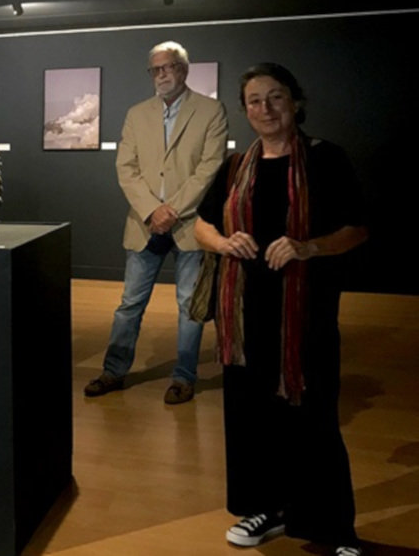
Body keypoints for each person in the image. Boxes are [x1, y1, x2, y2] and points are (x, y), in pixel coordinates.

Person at [194, 63, 367, 556]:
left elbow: (357, 228)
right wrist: (226, 242)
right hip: (244, 321)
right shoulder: (234, 166)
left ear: (294, 102)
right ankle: (266, 510)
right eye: (254, 100)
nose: (265, 109)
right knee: (252, 421)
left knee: (312, 418)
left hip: (304, 317)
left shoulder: (324, 159)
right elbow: (200, 226)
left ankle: (332, 528)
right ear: (244, 109)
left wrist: (309, 247)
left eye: (275, 98)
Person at [84, 41, 227, 404]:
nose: (162, 74)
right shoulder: (136, 114)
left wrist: (172, 210)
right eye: (156, 69)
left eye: (169, 67)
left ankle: (184, 376)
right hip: (145, 224)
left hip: (189, 224)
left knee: (188, 306)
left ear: (184, 69)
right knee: (130, 303)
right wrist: (151, 210)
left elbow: (209, 169)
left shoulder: (211, 111)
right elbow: (126, 169)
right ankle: (113, 371)